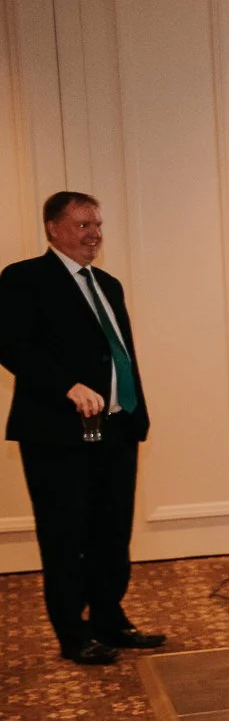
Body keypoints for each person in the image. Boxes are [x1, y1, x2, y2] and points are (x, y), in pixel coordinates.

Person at [0, 192, 166, 665]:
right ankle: (74, 634)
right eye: (82, 225)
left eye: (97, 224)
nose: (94, 234)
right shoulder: (24, 278)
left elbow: (121, 353)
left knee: (111, 533)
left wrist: (135, 411)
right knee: (65, 536)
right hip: (56, 433)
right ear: (53, 228)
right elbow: (12, 346)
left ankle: (111, 620)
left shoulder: (107, 284)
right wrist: (66, 386)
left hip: (115, 428)